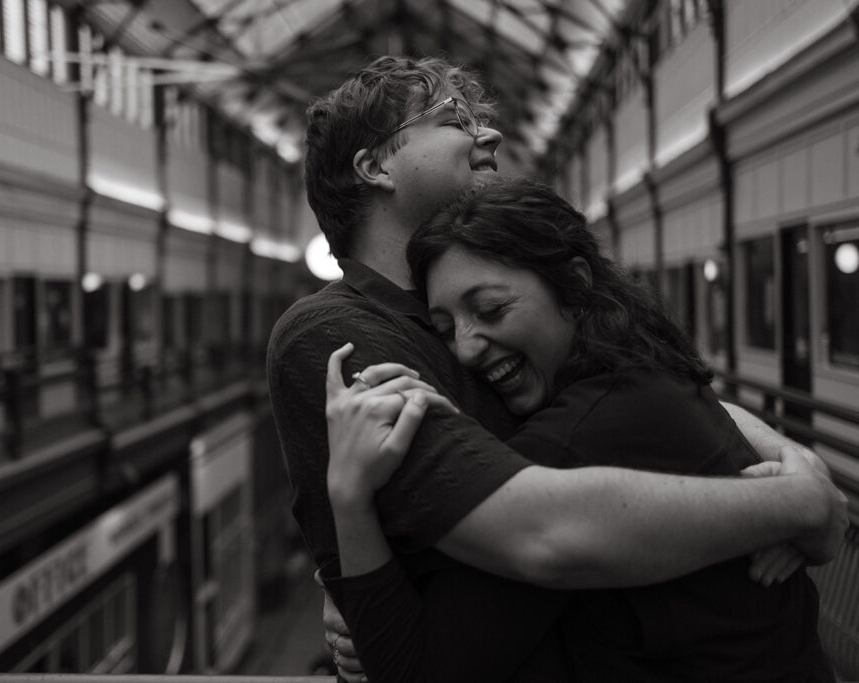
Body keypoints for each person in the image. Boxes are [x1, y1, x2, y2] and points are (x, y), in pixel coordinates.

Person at [266, 55, 846, 681]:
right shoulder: (334, 337)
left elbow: (636, 402)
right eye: (455, 118)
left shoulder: (538, 353)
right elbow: (541, 527)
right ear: (375, 165)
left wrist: (789, 463)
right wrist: (796, 500)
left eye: (488, 308)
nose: (489, 136)